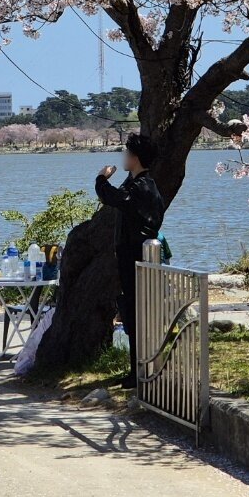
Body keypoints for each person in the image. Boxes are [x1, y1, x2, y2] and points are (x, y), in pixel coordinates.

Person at [95, 133, 167, 389]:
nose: (123, 157)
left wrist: (101, 178)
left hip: (139, 258)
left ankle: (141, 372)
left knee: (138, 313)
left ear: (135, 158)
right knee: (132, 312)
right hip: (130, 257)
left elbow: (114, 198)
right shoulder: (136, 182)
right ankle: (136, 370)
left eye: (127, 154)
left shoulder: (143, 186)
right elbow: (118, 196)